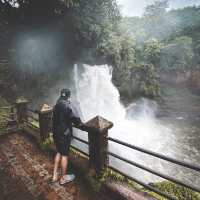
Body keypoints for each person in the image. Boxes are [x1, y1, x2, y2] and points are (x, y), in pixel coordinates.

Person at [52, 88, 82, 185]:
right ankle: (63, 178)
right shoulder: (68, 105)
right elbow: (76, 120)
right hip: (64, 134)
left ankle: (54, 176)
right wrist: (80, 124)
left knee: (58, 152)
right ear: (69, 96)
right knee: (64, 155)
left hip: (56, 133)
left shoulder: (56, 104)